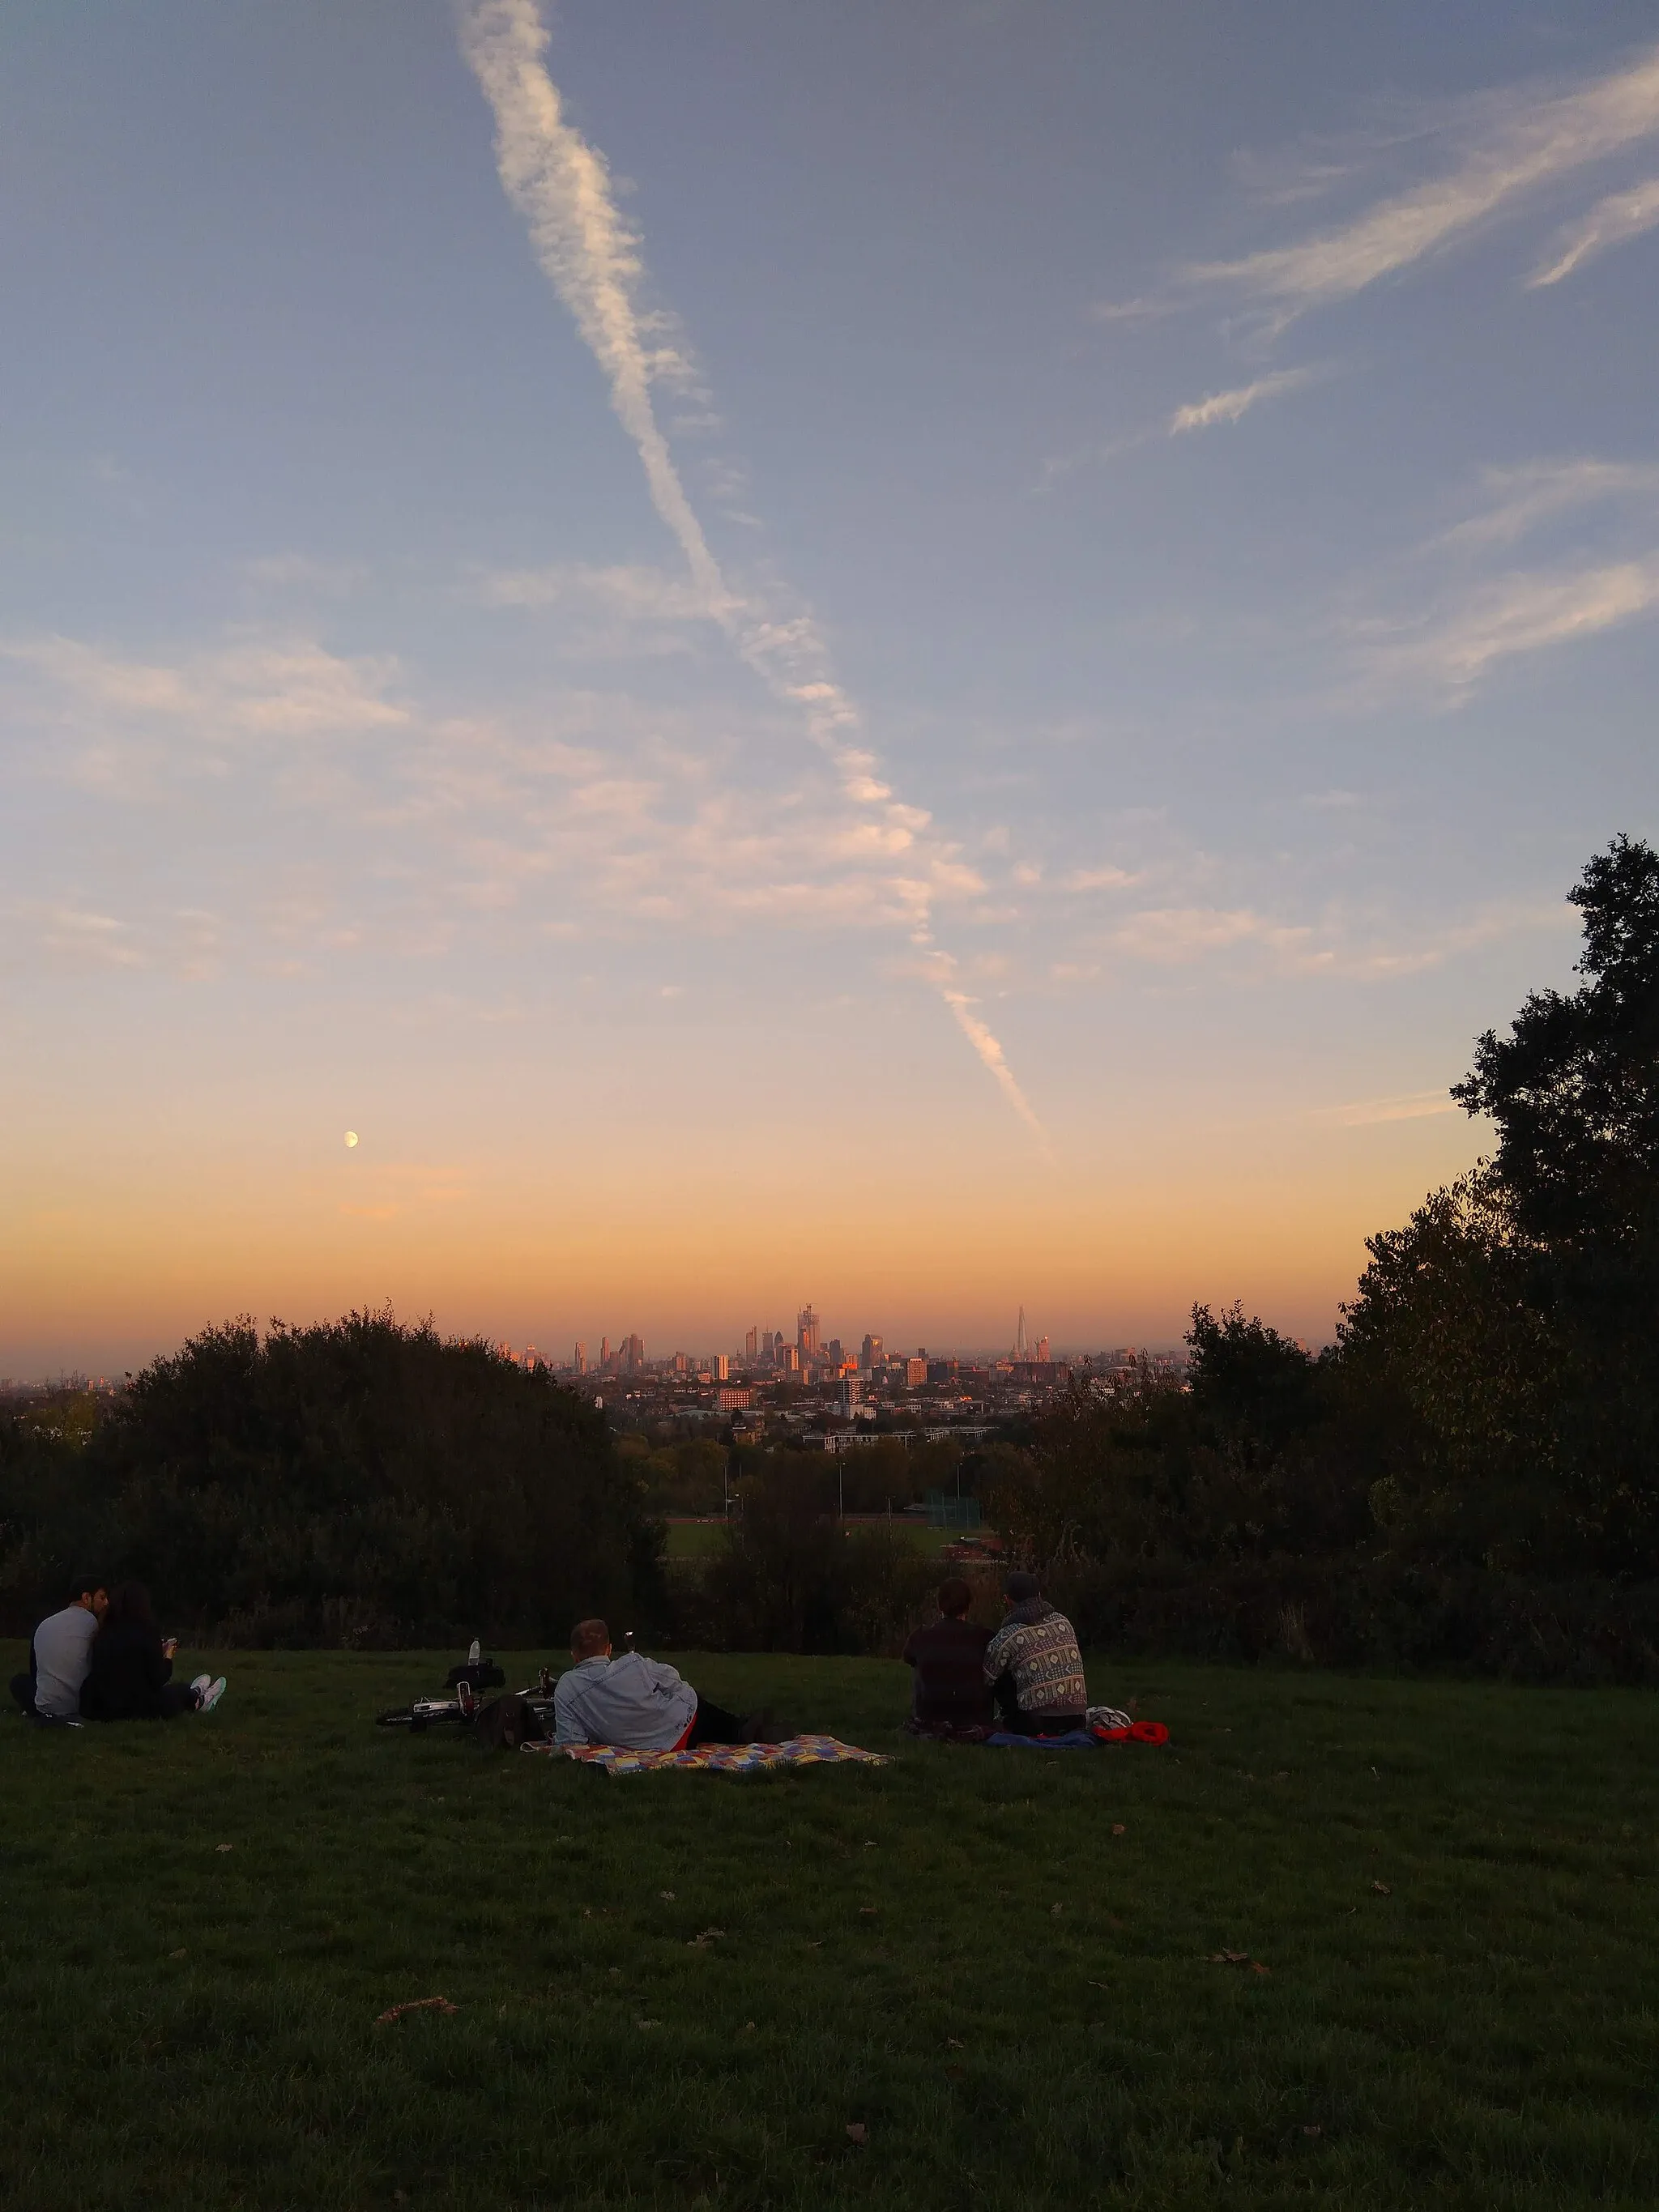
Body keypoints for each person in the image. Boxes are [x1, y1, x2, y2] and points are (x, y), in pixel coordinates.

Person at [552, 1619, 761, 1750]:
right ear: (608, 1649)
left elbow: (572, 1741)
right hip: (681, 1728)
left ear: (573, 1655)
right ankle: (741, 1728)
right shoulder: (633, 1664)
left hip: (640, 1743)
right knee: (695, 1703)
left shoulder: (567, 1687)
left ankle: (741, 1727)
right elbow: (673, 1681)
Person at [79, 1582, 226, 1721]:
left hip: (100, 1706)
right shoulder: (146, 1633)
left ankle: (197, 1692)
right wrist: (167, 1657)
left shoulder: (103, 1633)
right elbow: (158, 1678)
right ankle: (199, 1699)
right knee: (176, 1692)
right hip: (132, 1707)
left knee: (175, 1691)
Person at [982, 1571, 1088, 1735]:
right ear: (1039, 1595)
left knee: (999, 1671)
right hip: (1078, 1719)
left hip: (1037, 1723)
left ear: (1007, 1600)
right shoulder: (1063, 1621)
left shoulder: (1008, 1634)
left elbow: (987, 1679)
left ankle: (1002, 1719)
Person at [10, 1575, 109, 1724]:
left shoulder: (45, 1624)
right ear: (86, 1597)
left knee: (18, 1682)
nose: (106, 1603)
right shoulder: (94, 1625)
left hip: (45, 1705)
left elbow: (35, 1670)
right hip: (82, 1704)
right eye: (102, 1597)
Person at [901, 1577, 992, 1733]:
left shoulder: (920, 1636)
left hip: (930, 1715)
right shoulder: (984, 1637)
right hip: (974, 1717)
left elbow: (908, 1658)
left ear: (939, 1606)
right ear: (969, 1606)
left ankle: (926, 1711)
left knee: (918, 1664)